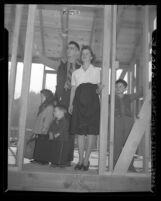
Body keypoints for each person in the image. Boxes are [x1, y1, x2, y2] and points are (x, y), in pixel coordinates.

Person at [35, 41, 81, 165]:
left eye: (72, 48)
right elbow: (46, 62)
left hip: (74, 102)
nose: (69, 50)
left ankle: (67, 159)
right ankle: (55, 157)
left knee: (70, 130)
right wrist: (39, 53)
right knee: (56, 128)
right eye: (68, 48)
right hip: (59, 100)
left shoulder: (81, 68)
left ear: (77, 52)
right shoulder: (60, 64)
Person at [69, 45, 103, 171]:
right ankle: (80, 160)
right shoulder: (75, 73)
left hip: (92, 104)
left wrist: (100, 89)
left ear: (91, 56)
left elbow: (98, 90)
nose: (84, 55)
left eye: (87, 53)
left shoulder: (97, 71)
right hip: (78, 103)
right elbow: (73, 88)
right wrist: (70, 104)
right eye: (83, 53)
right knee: (80, 133)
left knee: (91, 132)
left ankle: (86, 160)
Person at [113, 79, 142, 171]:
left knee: (129, 143)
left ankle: (130, 166)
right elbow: (101, 95)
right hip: (116, 120)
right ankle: (115, 165)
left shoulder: (128, 97)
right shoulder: (111, 97)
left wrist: (147, 84)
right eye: (116, 86)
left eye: (121, 86)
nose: (118, 88)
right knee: (116, 144)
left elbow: (139, 94)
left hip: (128, 121)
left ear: (125, 88)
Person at [31, 89, 57, 165]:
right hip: (40, 129)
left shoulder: (49, 107)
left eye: (42, 96)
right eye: (41, 96)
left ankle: (43, 160)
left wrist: (45, 128)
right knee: (39, 144)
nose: (41, 98)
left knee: (44, 145)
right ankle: (38, 159)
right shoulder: (44, 106)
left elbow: (48, 119)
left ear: (47, 96)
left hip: (44, 130)